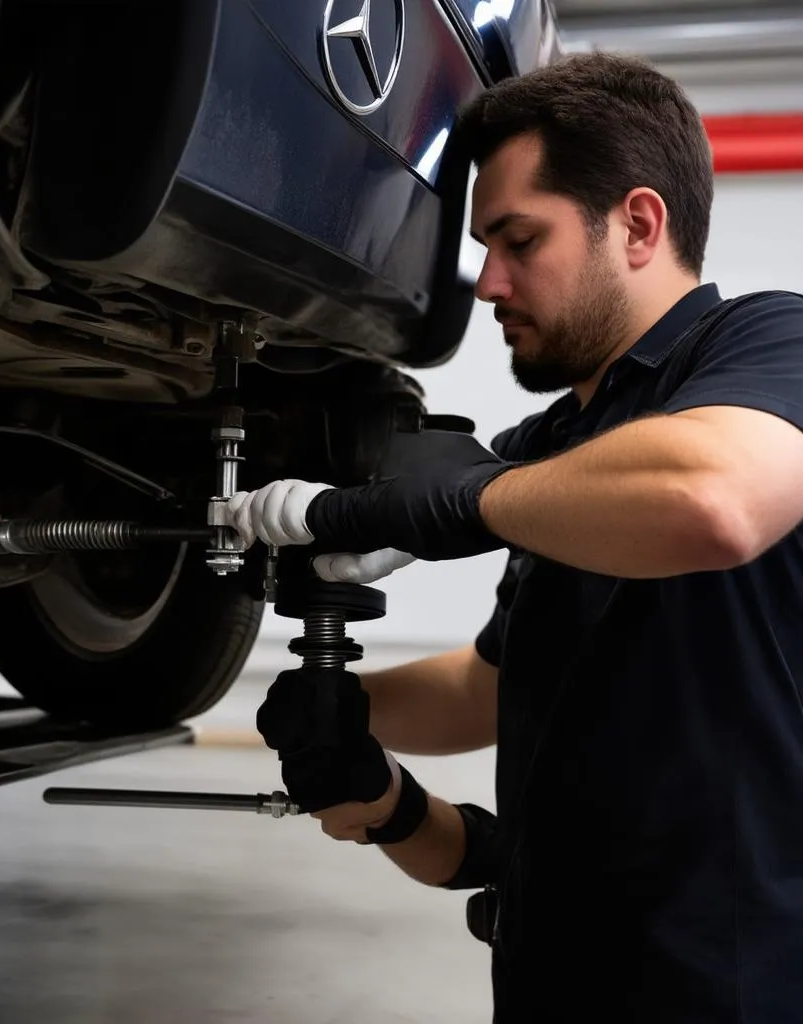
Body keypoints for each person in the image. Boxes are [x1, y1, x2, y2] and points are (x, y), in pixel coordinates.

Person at [221, 52, 803, 1023]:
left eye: (518, 239)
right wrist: (346, 717)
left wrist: (454, 503)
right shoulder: (550, 450)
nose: (487, 281)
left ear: (639, 225)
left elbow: (714, 498)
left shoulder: (767, 343)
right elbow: (495, 688)